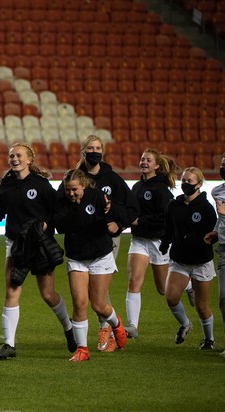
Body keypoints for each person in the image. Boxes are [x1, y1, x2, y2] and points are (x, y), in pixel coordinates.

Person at [0, 143, 75, 359]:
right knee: (11, 290)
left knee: (48, 294)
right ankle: (9, 344)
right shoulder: (3, 186)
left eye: (18, 155)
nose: (14, 159)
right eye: (11, 156)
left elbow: (56, 212)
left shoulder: (41, 185)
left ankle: (69, 328)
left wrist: (46, 224)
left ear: (29, 160)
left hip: (40, 244)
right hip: (15, 244)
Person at [63, 135, 139, 352]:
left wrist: (119, 224)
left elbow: (132, 209)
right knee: (82, 296)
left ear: (102, 152)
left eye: (98, 148)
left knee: (98, 293)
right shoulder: (74, 178)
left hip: (105, 240)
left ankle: (106, 328)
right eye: (90, 148)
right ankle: (100, 331)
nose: (94, 151)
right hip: (79, 244)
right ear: (83, 152)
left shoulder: (112, 179)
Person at [54, 169, 128, 362]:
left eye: (74, 189)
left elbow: (122, 213)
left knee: (99, 305)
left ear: (84, 185)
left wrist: (112, 215)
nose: (71, 193)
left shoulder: (98, 197)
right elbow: (60, 225)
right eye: (68, 190)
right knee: (79, 303)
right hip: (77, 257)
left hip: (100, 256)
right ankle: (82, 350)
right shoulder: (62, 202)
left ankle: (117, 325)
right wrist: (76, 209)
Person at [160, 167, 217, 350]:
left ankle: (209, 339)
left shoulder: (207, 209)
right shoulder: (173, 205)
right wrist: (164, 242)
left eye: (189, 182)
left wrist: (194, 240)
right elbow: (168, 228)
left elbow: (210, 237)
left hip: (201, 262)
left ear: (199, 184)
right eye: (183, 181)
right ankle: (186, 324)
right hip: (180, 261)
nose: (185, 184)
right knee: (171, 297)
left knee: (201, 307)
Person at [124, 149, 177, 338]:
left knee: (163, 288)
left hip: (158, 241)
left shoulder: (161, 189)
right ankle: (132, 326)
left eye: (148, 160)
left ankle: (188, 287)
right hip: (139, 240)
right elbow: (130, 211)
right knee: (133, 281)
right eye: (142, 159)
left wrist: (140, 221)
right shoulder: (136, 187)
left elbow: (165, 218)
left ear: (156, 165)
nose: (144, 162)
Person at [205, 153, 225, 357]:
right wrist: (215, 232)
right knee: (224, 298)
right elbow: (221, 221)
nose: (223, 166)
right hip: (224, 250)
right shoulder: (217, 191)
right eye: (222, 163)